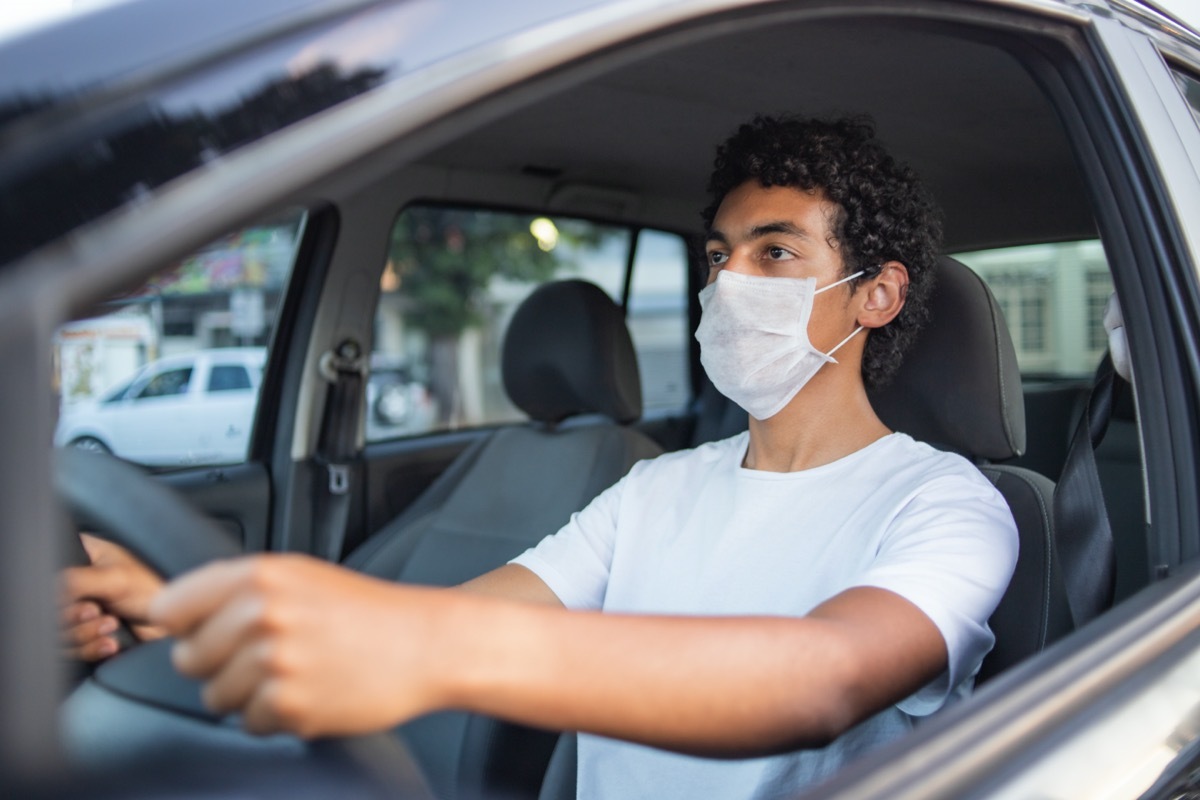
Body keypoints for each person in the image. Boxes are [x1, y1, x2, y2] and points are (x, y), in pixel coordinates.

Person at [60, 115, 1018, 799]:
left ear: (876, 296)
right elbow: (455, 616)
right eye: (718, 255)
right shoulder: (654, 486)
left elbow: (823, 682)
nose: (728, 283)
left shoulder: (948, 504)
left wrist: (417, 649)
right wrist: (180, 603)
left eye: (775, 254)